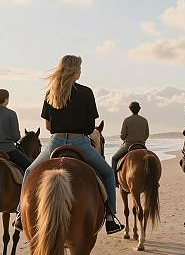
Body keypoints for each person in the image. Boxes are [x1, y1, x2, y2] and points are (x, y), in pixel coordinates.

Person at [14, 55, 124, 235]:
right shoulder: (86, 92)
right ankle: (111, 217)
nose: (81, 71)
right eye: (80, 68)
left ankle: (20, 215)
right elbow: (90, 127)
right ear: (75, 71)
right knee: (108, 173)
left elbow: (48, 126)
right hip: (80, 142)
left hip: (55, 142)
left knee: (29, 172)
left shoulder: (51, 93)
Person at [0, 89, 32, 171]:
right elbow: (16, 136)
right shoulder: (11, 113)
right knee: (29, 166)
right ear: (6, 99)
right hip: (8, 149)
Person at [112, 101, 150, 186]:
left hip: (128, 145)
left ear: (130, 109)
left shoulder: (127, 120)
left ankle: (114, 181)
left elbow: (123, 136)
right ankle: (154, 181)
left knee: (114, 158)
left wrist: (125, 137)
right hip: (142, 145)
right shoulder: (144, 120)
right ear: (139, 109)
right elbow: (146, 135)